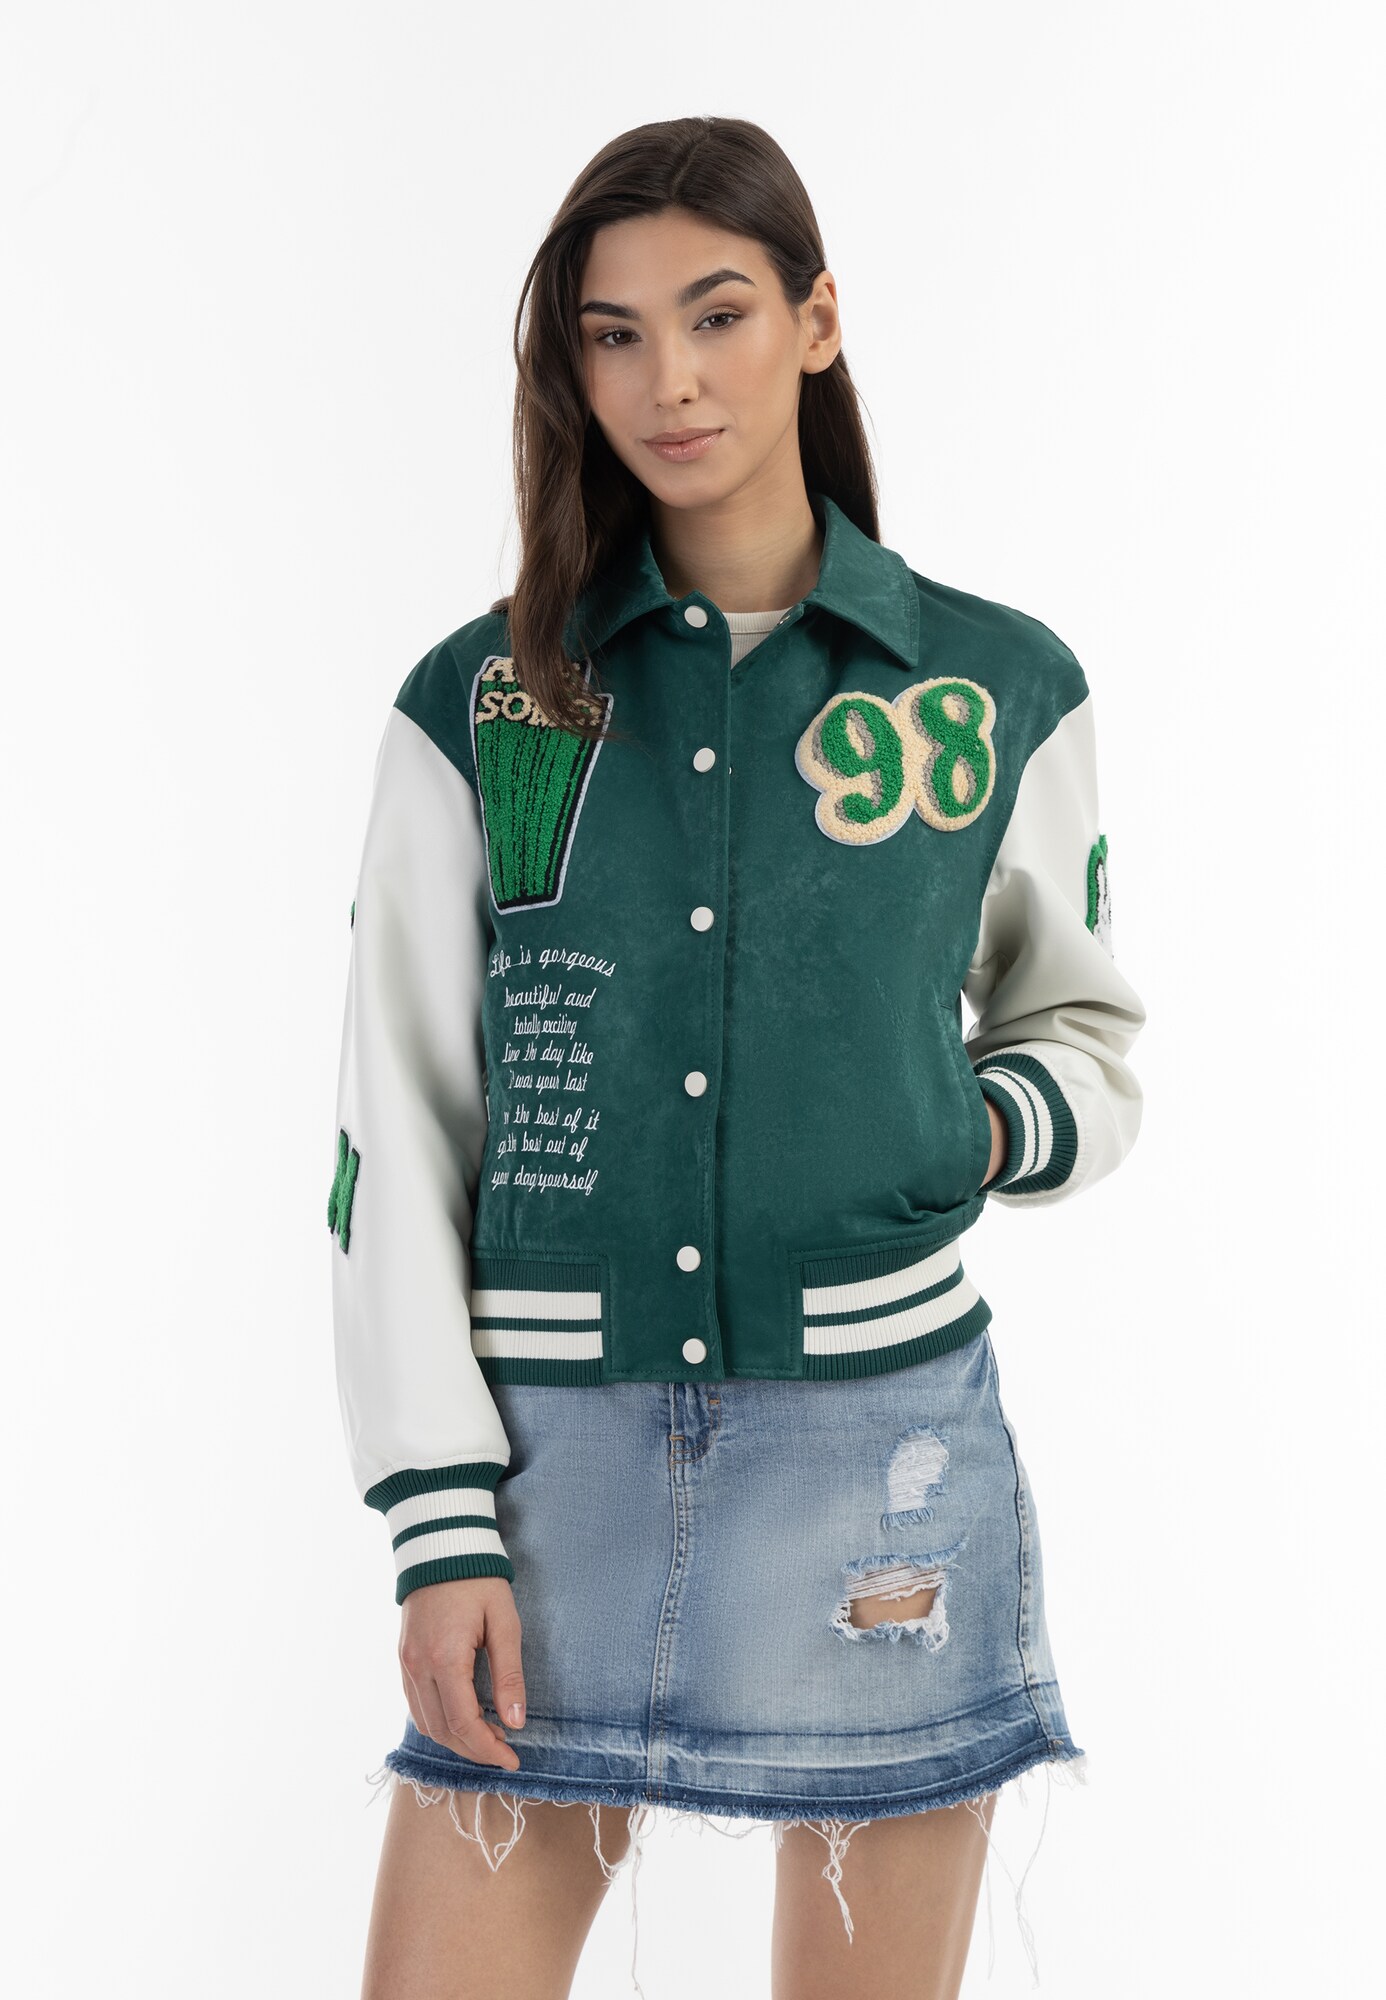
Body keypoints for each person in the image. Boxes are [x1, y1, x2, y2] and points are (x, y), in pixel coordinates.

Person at [329, 115, 1146, 2000]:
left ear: (815, 322)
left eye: (716, 316)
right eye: (611, 335)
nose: (669, 382)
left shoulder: (990, 687)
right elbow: (401, 1124)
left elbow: (1086, 1037)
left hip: (881, 1458)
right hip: (547, 1470)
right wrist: (437, 1520)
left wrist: (966, 1124)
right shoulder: (489, 698)